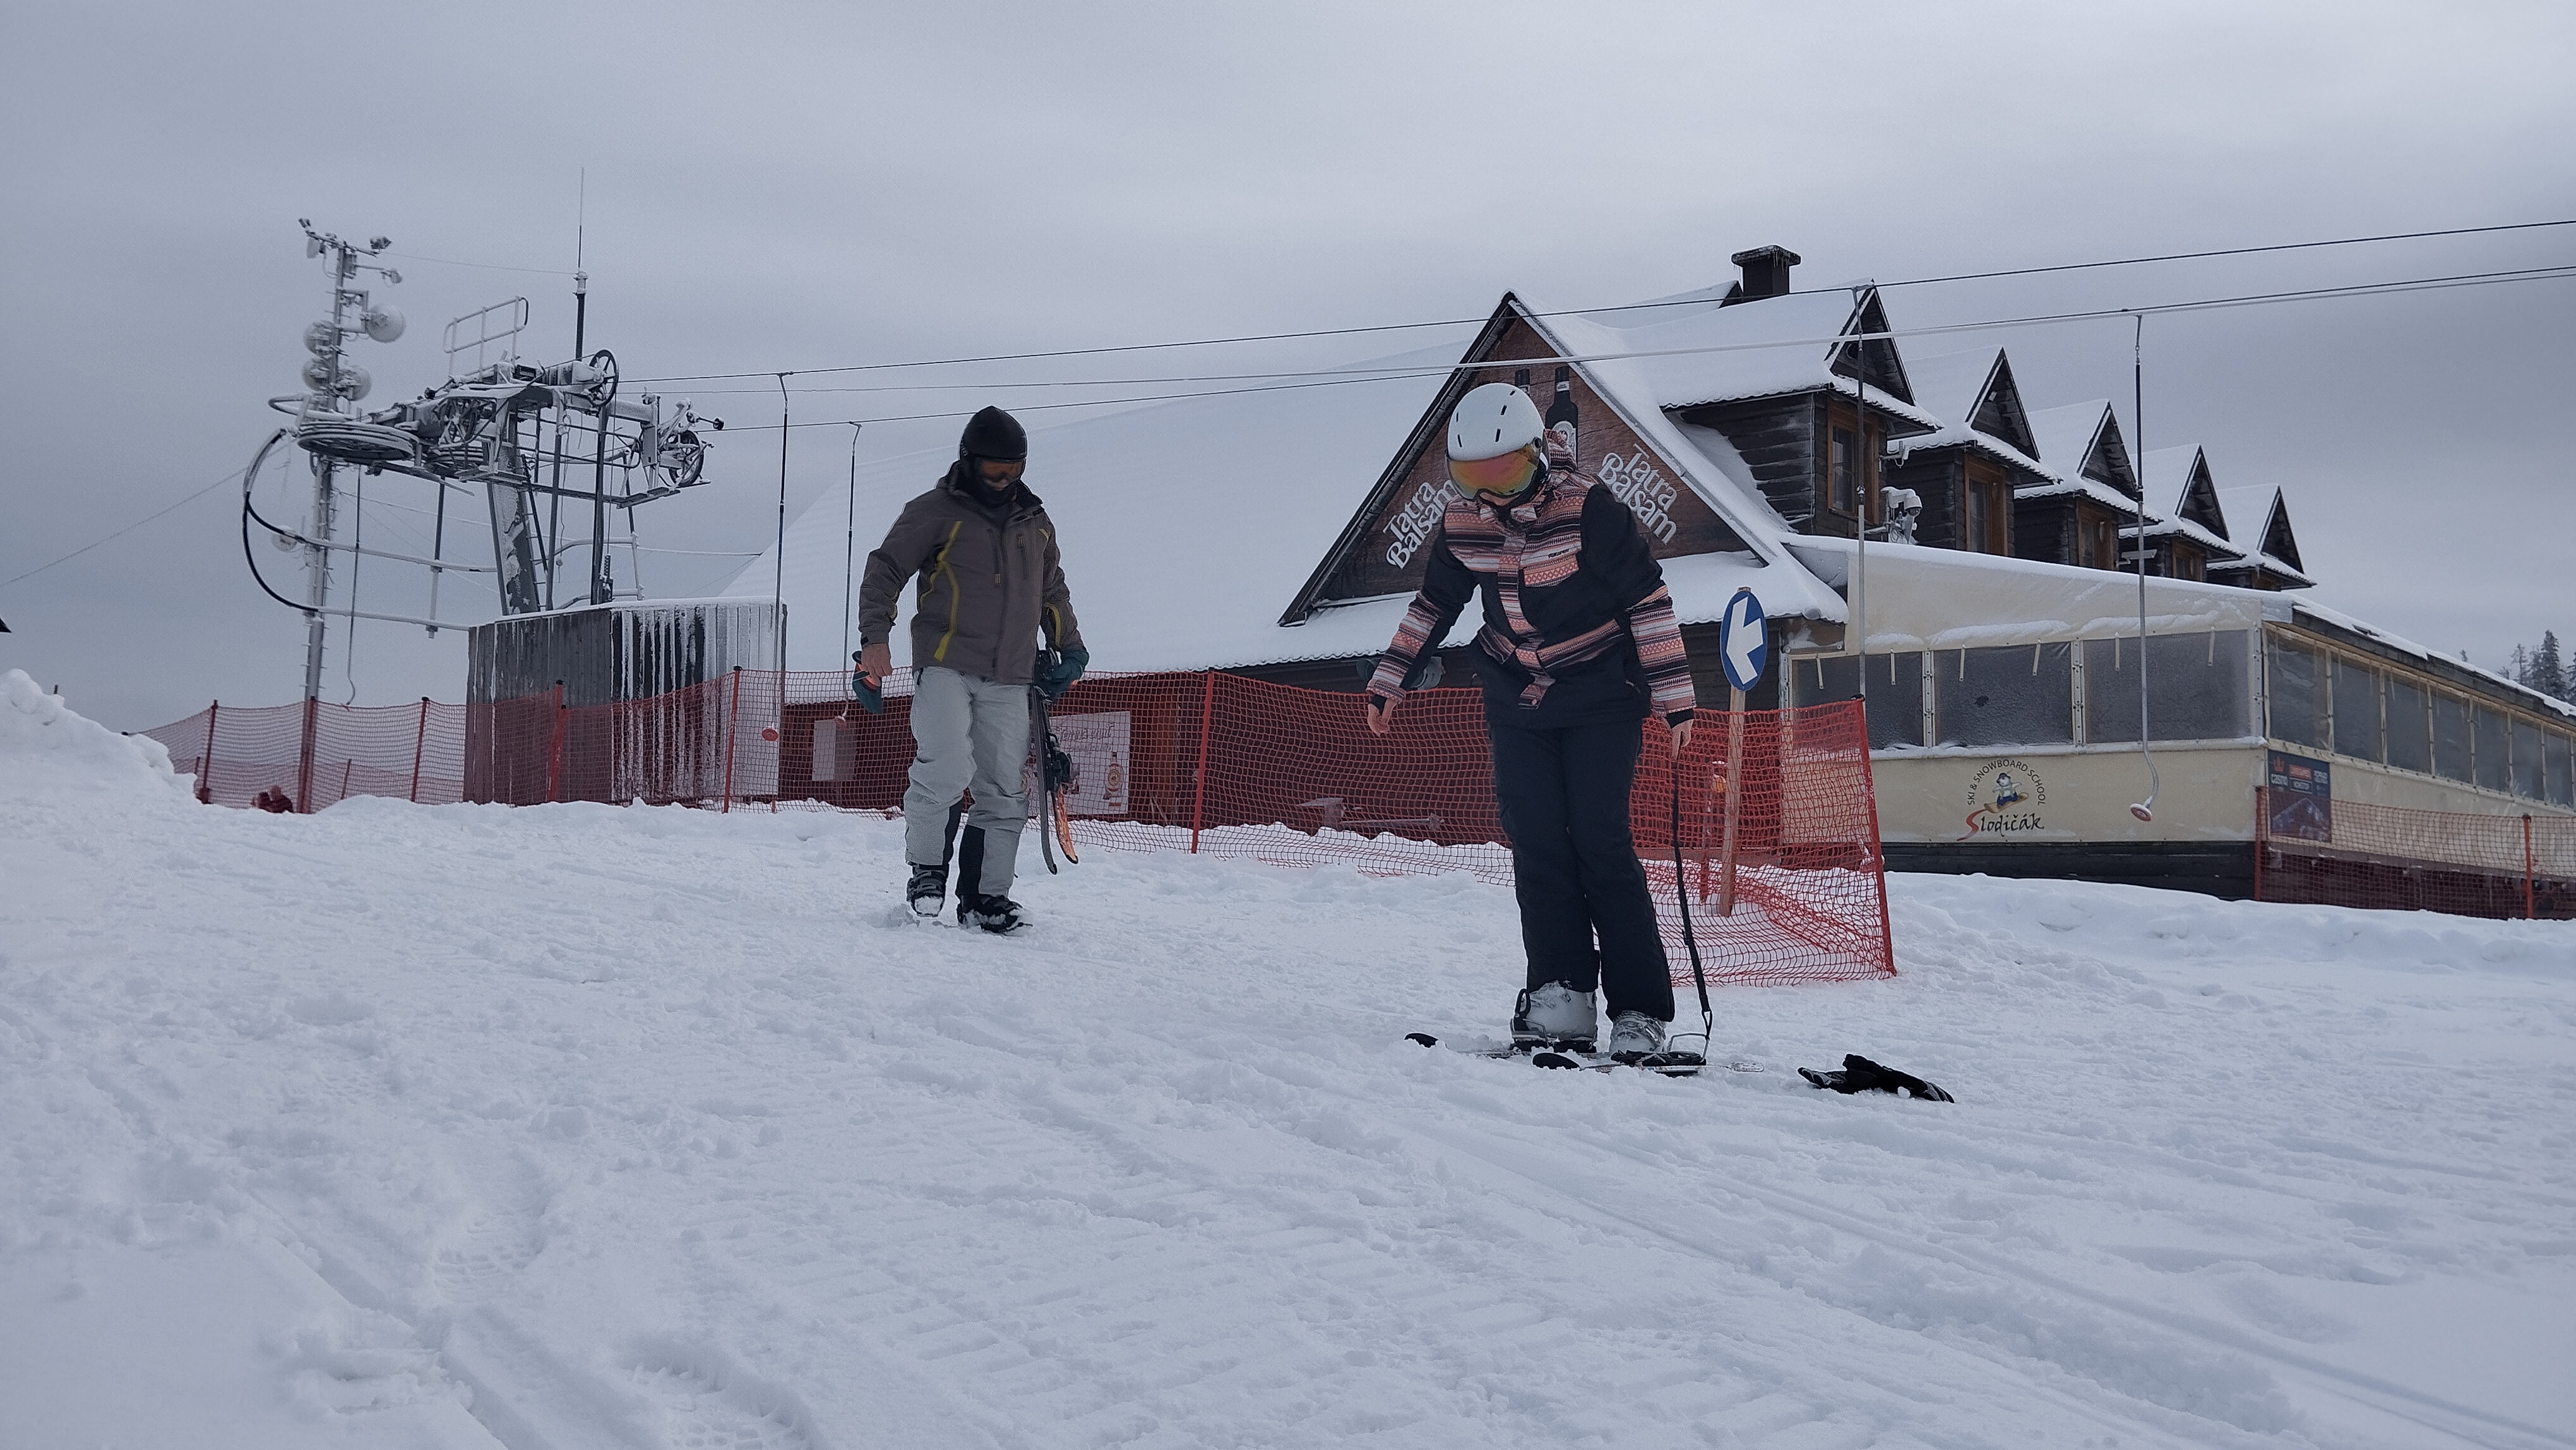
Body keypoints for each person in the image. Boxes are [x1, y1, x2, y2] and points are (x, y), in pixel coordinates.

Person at [1365, 381, 1696, 1060]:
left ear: (1537, 455)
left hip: (1601, 692)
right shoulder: (1463, 524)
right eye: (1471, 476)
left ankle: (1640, 1010)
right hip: (1516, 697)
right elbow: (1433, 605)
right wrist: (1390, 677)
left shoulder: (1589, 510)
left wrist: (1674, 696)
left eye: (1505, 472)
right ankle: (1559, 996)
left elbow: (1647, 599)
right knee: (1539, 843)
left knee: (1600, 842)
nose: (1490, 492)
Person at [856, 406, 1087, 932]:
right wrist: (875, 639)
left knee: (1004, 787)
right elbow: (885, 568)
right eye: (994, 471)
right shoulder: (936, 510)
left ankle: (986, 897)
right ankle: (928, 873)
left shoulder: (1036, 523)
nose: (1005, 482)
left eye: (1015, 471)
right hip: (946, 663)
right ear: (968, 462)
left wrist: (1069, 646)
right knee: (945, 767)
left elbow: (1051, 590)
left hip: (1011, 672)